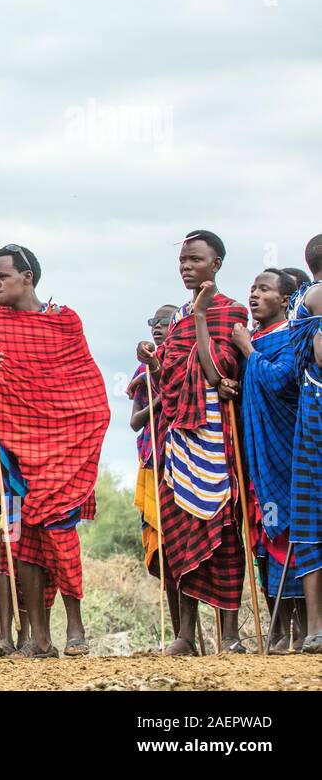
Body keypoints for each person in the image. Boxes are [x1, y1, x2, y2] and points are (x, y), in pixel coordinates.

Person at [0, 244, 109, 658]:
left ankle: (76, 630)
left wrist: (78, 433)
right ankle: (40, 639)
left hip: (65, 449)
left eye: (1, 278)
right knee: (22, 541)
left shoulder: (65, 322)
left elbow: (84, 385)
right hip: (15, 447)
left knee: (61, 533)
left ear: (27, 277)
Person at [137, 230, 248, 654]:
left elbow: (218, 370)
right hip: (177, 439)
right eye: (182, 260)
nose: (186, 266)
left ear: (216, 264)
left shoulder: (229, 311)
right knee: (180, 534)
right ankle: (186, 635)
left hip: (216, 438)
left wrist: (202, 318)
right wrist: (154, 361)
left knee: (222, 531)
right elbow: (168, 377)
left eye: (195, 260)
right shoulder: (179, 316)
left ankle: (231, 634)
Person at [233, 268, 302, 651]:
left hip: (286, 451)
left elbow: (279, 380)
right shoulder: (254, 339)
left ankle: (301, 627)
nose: (255, 295)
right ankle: (276, 628)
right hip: (256, 455)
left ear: (285, 300)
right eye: (253, 288)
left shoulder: (291, 337)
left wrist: (247, 350)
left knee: (293, 536)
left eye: (264, 289)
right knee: (263, 538)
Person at [130, 302, 179, 629]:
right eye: (153, 322)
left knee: (181, 544)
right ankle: (178, 630)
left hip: (185, 461)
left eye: (164, 321)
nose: (157, 327)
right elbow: (135, 421)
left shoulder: (183, 362)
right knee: (161, 547)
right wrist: (162, 397)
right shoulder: (142, 373)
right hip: (152, 461)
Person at [284, 234, 322, 652]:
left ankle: (315, 629)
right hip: (320, 407)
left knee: (312, 517)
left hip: (309, 413)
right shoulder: (320, 296)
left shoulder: (301, 297)